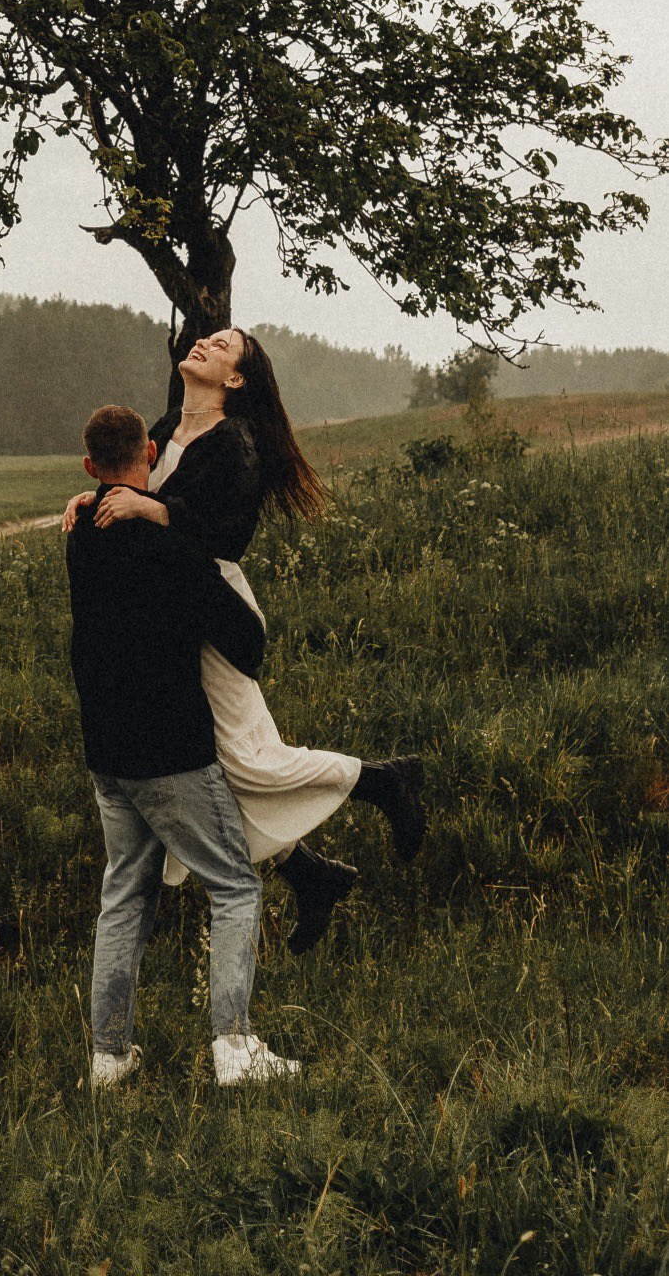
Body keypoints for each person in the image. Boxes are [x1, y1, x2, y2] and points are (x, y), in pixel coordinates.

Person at [63, 328, 425, 953]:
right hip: (177, 605)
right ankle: (307, 873)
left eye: (222, 344)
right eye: (205, 337)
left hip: (215, 609)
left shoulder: (236, 442)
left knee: (244, 760)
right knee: (212, 761)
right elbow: (135, 479)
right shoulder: (172, 421)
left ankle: (382, 781)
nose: (203, 342)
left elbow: (226, 535)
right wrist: (94, 495)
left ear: (235, 379)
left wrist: (157, 513)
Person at [66, 402, 301, 1089]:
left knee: (125, 897)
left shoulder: (79, 528)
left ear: (89, 468)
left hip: (107, 751)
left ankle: (108, 1059)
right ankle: (234, 1046)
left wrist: (99, 497)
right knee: (232, 883)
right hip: (170, 747)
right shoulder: (171, 548)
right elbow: (247, 644)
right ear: (151, 452)